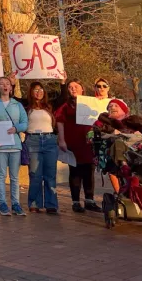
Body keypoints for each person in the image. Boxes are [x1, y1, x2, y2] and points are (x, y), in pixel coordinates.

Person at [0, 76, 29, 216]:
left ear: (11, 87)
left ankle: (16, 204)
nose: (4, 86)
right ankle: (2, 203)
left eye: (7, 84)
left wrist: (17, 128)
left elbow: (25, 123)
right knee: (1, 175)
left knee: (15, 177)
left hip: (15, 145)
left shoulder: (17, 105)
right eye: (1, 84)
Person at [55, 79, 101, 213]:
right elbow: (59, 121)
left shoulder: (91, 102)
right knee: (75, 171)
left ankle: (89, 200)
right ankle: (75, 201)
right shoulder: (66, 106)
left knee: (89, 170)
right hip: (73, 142)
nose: (73, 89)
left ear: (82, 88)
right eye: (70, 87)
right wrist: (62, 140)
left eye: (76, 86)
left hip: (88, 142)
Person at [25, 81, 58, 214]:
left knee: (50, 175)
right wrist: (12, 82)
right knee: (35, 174)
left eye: (41, 90)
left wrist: (62, 83)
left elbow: (62, 98)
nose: (39, 92)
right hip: (33, 140)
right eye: (36, 90)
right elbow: (11, 97)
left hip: (49, 140)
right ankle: (34, 203)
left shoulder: (49, 106)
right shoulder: (26, 107)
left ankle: (51, 204)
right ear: (31, 92)